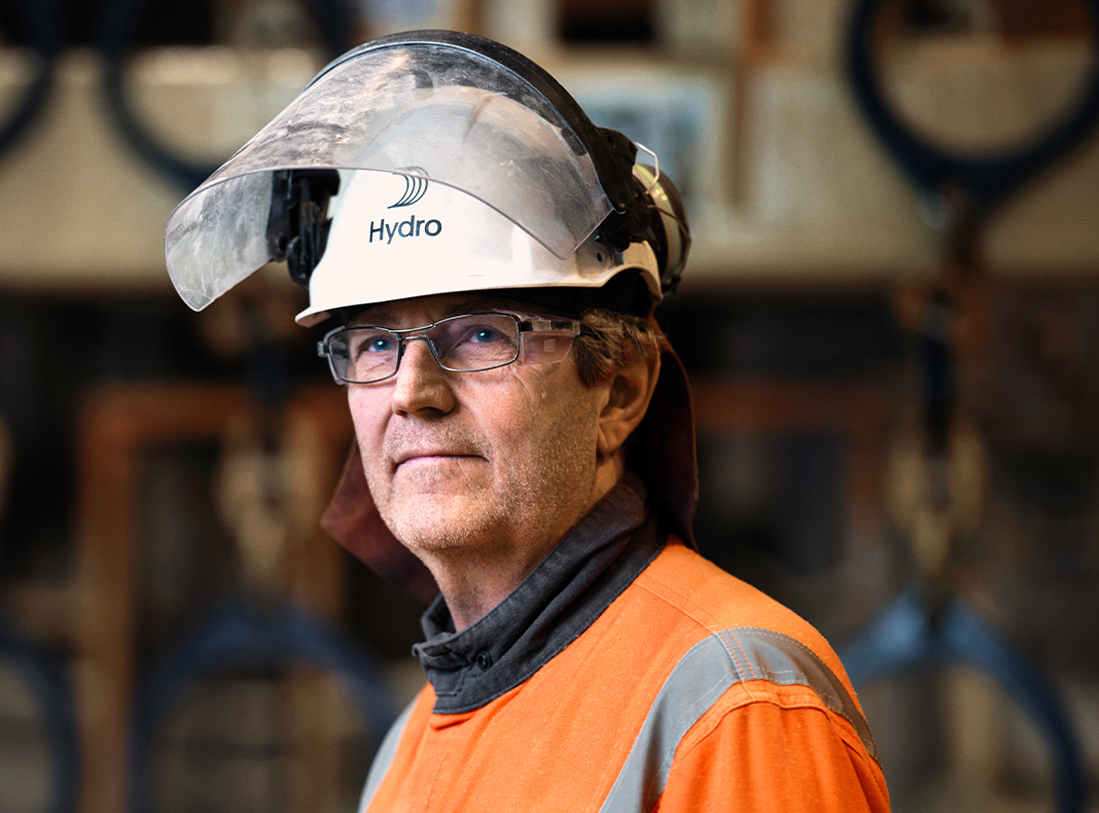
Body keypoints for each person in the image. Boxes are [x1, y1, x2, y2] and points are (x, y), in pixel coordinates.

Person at [162, 30, 890, 812]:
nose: (413, 390)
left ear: (618, 391)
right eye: (374, 342)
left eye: (480, 334)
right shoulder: (408, 750)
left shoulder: (737, 708)